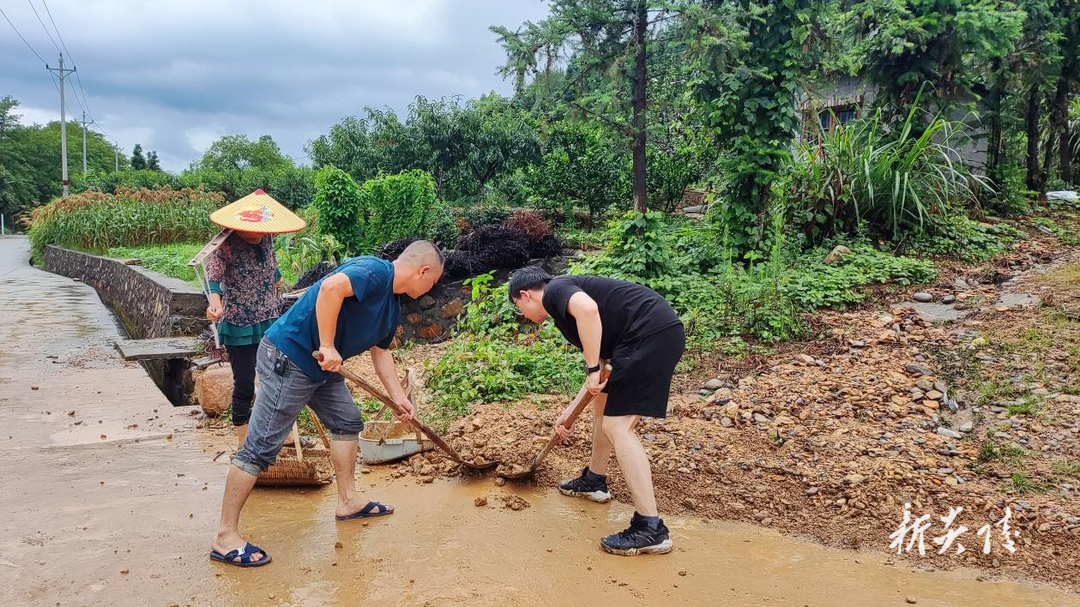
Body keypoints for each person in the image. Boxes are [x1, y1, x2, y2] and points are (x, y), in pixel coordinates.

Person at [209, 240, 444, 567]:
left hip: (319, 368)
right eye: (433, 281)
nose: (431, 287)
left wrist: (399, 398)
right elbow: (330, 289)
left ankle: (348, 501)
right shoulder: (375, 271)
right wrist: (328, 344)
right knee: (261, 447)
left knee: (347, 421)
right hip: (288, 357)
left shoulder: (392, 305)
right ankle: (225, 537)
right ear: (423, 271)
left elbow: (382, 353)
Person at [508, 267, 685, 556]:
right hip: (648, 335)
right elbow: (600, 366)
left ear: (525, 295)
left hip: (648, 336)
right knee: (602, 404)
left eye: (520, 309)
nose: (524, 317)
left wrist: (592, 370)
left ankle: (650, 528)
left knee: (618, 426)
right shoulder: (564, 312)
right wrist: (570, 410)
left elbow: (589, 311)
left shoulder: (555, 290)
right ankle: (595, 480)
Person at [204, 230, 282, 448]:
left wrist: (276, 279)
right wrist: (216, 305)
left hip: (269, 321)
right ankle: (244, 445)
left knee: (277, 380)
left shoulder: (267, 237)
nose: (257, 235)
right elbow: (214, 280)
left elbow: (274, 272)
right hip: (239, 325)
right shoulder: (224, 244)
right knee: (245, 385)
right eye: (252, 232)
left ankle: (278, 437)